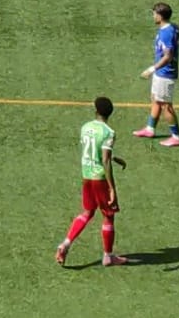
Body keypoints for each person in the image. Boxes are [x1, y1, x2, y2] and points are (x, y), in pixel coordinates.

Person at [55, 96, 129, 267]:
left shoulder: (86, 127)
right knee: (108, 216)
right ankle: (108, 256)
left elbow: (93, 151)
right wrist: (112, 188)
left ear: (96, 111)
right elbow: (105, 160)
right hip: (100, 179)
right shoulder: (108, 132)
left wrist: (114, 158)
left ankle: (65, 244)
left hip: (86, 176)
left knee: (87, 212)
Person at [134, 3, 179, 146]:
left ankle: (176, 136)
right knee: (155, 99)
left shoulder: (166, 33)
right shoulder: (173, 27)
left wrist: (151, 69)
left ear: (160, 16)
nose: (153, 16)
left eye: (154, 14)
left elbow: (168, 56)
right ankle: (150, 128)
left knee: (166, 106)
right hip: (161, 72)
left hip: (165, 74)